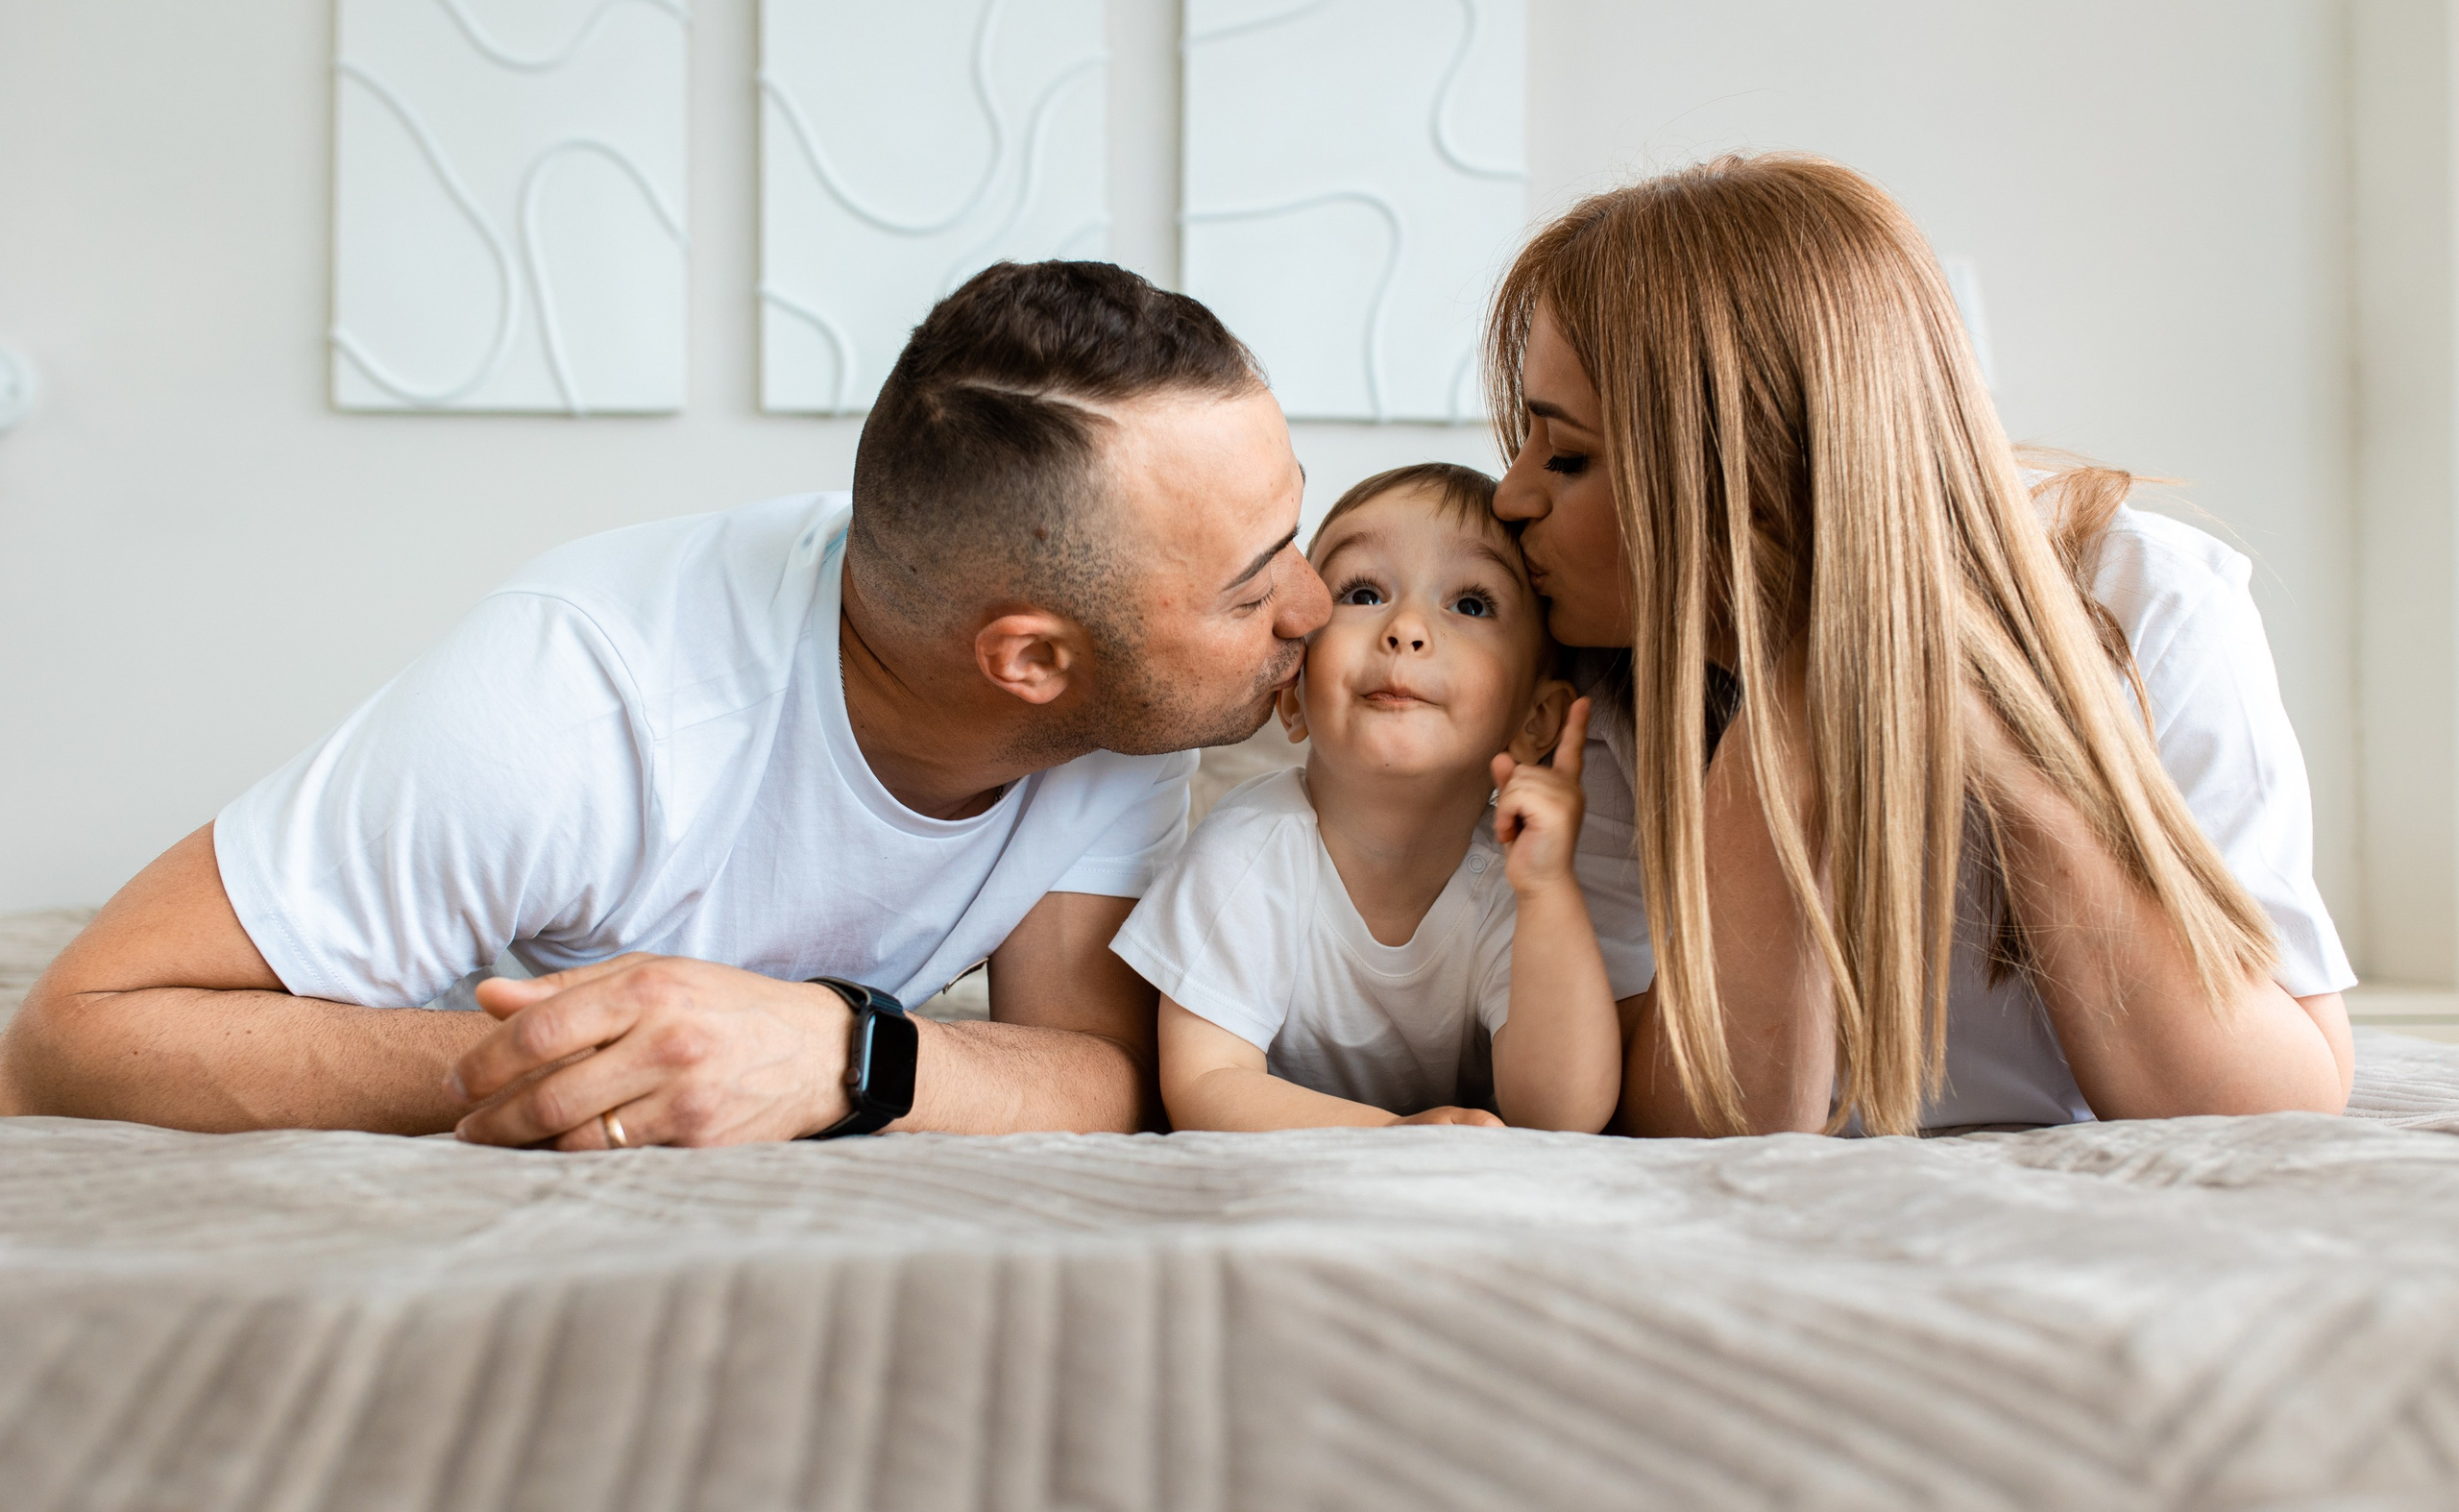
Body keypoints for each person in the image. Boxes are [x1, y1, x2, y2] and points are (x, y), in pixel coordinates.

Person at [0, 261, 1332, 1147]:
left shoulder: (1130, 709)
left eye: (1293, 529)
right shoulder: (572, 707)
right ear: (1030, 658)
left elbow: (1096, 1073)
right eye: (1251, 580)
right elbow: (69, 1037)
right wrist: (610, 1053)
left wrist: (837, 1052)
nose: (1315, 606)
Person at [1485, 155, 2356, 1138]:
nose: (1508, 498)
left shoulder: (2150, 604)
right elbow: (1706, 1128)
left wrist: (2010, 761)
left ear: (1748, 471)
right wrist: (1790, 728)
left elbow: (2282, 1104)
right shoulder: (1593, 690)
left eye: (1565, 455)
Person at [1117, 464, 1626, 1133]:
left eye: (1470, 604)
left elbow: (1563, 1115)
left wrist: (1548, 893)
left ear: (1535, 721)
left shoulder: (1517, 882)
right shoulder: (1247, 853)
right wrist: (1389, 1135)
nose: (1407, 629)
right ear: (1292, 694)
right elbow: (1205, 1084)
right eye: (1362, 593)